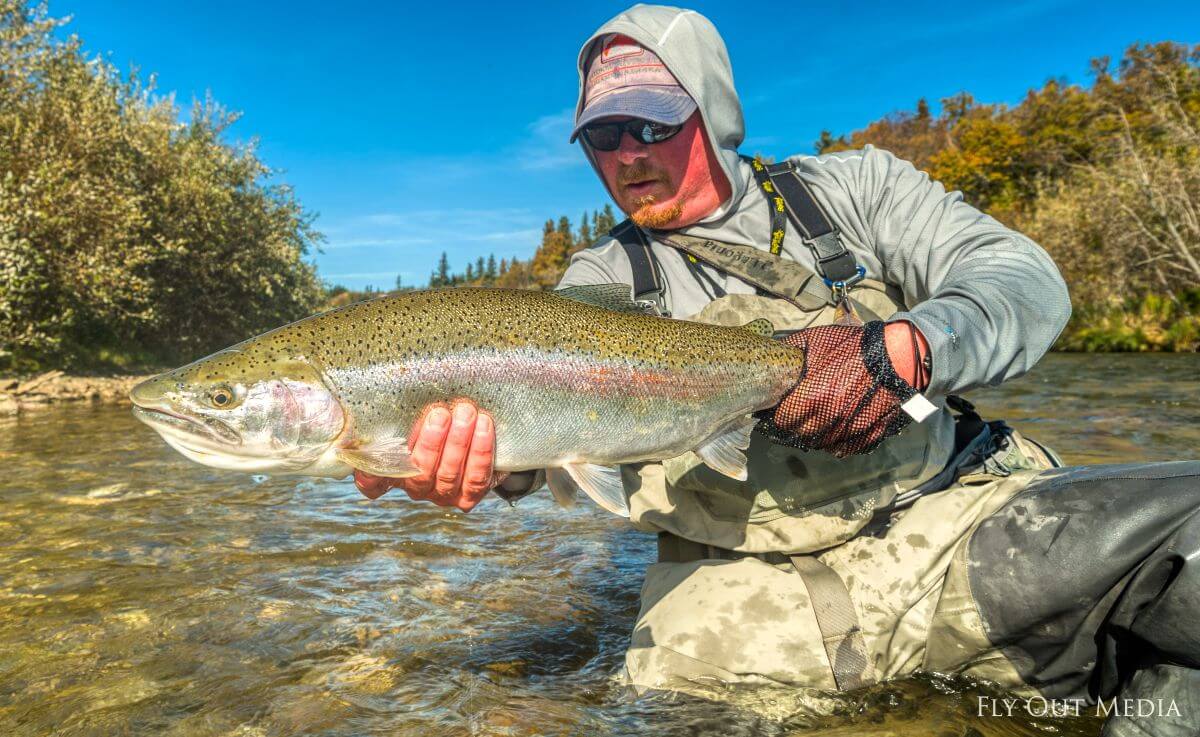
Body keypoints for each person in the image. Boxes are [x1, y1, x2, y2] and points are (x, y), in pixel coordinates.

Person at [358, 7, 1200, 735]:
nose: (626, 155)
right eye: (603, 135)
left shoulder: (855, 190)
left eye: (652, 123)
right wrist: (489, 468)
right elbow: (549, 432)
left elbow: (1023, 279)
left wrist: (909, 349)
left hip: (953, 527)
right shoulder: (598, 285)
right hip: (735, 587)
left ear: (714, 109)